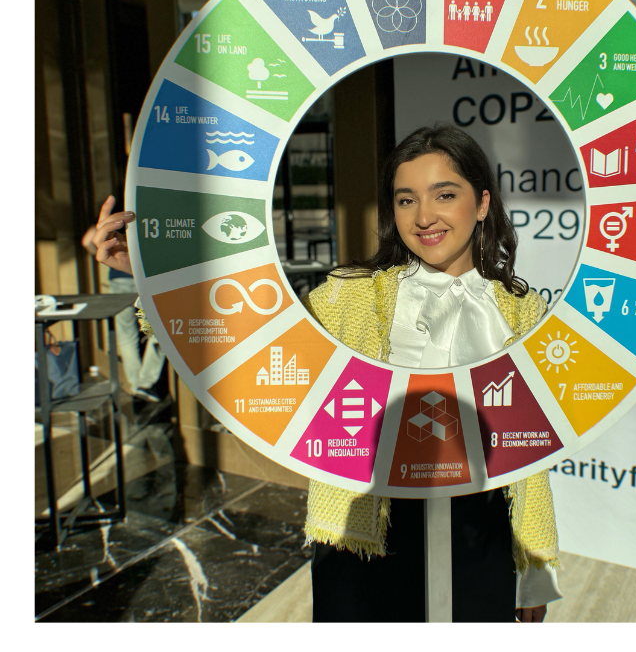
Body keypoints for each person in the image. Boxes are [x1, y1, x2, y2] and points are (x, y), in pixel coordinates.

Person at [91, 125, 559, 622]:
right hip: (364, 531)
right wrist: (150, 271)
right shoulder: (349, 294)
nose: (424, 217)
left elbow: (530, 451)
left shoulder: (521, 310)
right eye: (405, 200)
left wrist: (536, 571)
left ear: (483, 203)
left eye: (445, 194)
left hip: (480, 531)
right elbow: (247, 344)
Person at [83, 199, 165, 403]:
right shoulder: (141, 210)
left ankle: (135, 384)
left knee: (126, 334)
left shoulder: (110, 217)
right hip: (142, 276)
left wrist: (104, 257)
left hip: (118, 278)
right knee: (157, 330)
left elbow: (87, 241)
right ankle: (146, 383)